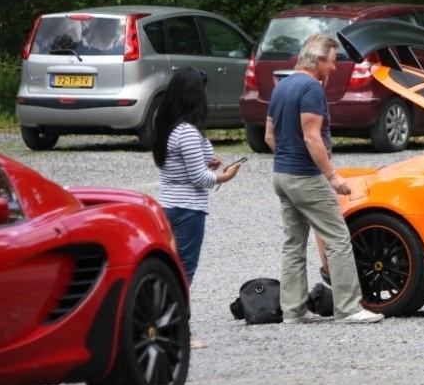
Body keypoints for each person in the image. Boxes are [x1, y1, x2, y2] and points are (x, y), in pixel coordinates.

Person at [264, 33, 384, 324]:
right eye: (331, 62)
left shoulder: (282, 86)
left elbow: (269, 136)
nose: (333, 68)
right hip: (305, 177)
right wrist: (332, 176)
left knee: (293, 243)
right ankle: (349, 308)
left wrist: (287, 158)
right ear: (317, 60)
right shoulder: (311, 89)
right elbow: (312, 137)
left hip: (281, 174)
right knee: (338, 238)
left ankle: (293, 310)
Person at [153, 67, 243, 348]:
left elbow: (189, 164)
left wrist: (209, 160)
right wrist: (224, 177)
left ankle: (158, 322)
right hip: (188, 209)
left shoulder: (167, 126)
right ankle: (181, 331)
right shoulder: (188, 132)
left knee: (170, 269)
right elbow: (200, 179)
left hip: (168, 205)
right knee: (184, 272)